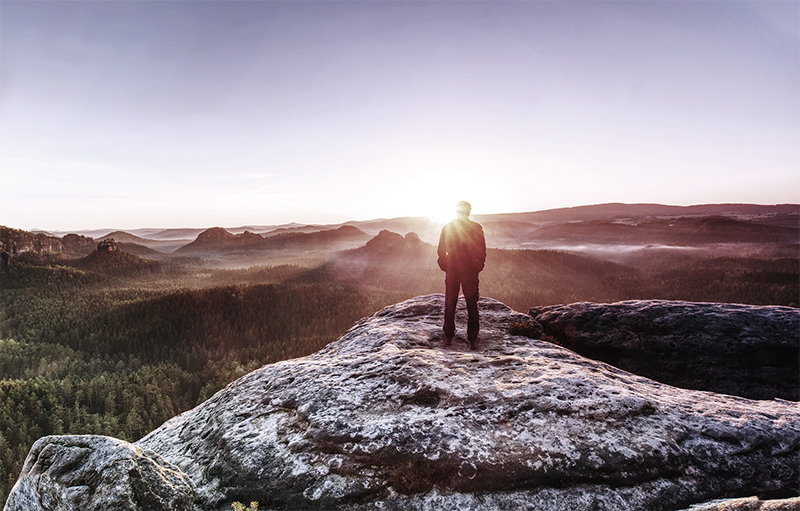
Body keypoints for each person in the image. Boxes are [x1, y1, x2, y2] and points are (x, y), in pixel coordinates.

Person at [437, 201, 486, 349]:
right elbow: (441, 250)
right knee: (453, 303)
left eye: (465, 211)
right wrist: (446, 266)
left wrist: (477, 266)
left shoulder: (473, 228)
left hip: (465, 270)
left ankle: (469, 337)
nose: (464, 214)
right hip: (458, 270)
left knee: (467, 303)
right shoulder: (451, 228)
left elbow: (482, 250)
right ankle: (452, 335)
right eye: (461, 211)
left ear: (469, 212)